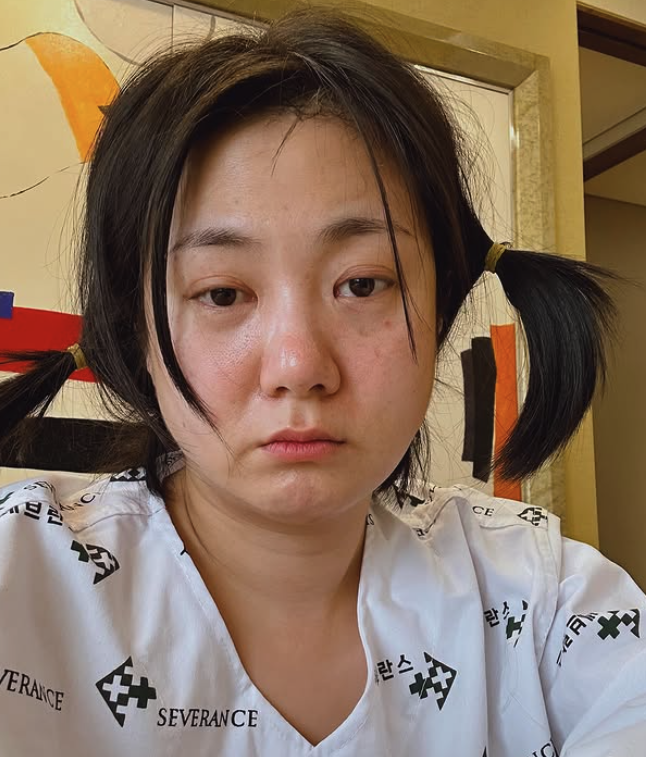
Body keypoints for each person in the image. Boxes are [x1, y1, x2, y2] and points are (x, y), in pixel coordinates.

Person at [0, 7, 643, 756]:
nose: (298, 365)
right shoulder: (23, 578)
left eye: (363, 283)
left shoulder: (544, 595)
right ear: (134, 328)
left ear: (441, 307)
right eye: (221, 293)